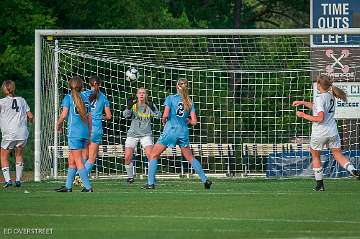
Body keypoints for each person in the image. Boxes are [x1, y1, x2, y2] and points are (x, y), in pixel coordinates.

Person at [293, 74, 360, 191]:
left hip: (320, 132)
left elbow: (320, 118)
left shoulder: (320, 98)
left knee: (315, 156)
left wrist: (303, 115)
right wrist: (303, 102)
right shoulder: (330, 95)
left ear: (319, 84)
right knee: (338, 154)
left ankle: (320, 185)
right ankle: (353, 170)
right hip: (332, 131)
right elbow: (317, 107)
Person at [142, 79, 212, 190]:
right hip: (183, 132)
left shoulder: (170, 98)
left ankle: (150, 183)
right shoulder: (189, 101)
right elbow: (194, 121)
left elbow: (165, 115)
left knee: (153, 155)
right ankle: (205, 179)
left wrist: (164, 120)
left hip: (171, 130)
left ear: (177, 86)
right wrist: (187, 120)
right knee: (190, 157)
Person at [55, 76, 93, 192]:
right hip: (84, 132)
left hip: (74, 133)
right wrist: (89, 133)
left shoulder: (68, 98)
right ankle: (68, 186)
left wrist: (58, 125)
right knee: (71, 160)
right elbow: (90, 118)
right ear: (81, 86)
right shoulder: (86, 98)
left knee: (78, 160)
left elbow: (63, 115)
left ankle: (88, 187)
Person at [73, 76, 111, 185]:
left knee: (84, 156)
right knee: (92, 157)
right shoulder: (103, 97)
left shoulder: (83, 94)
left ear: (89, 84)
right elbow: (109, 116)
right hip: (96, 129)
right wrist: (99, 116)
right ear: (100, 84)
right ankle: (79, 177)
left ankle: (77, 175)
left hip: (84, 128)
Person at [123, 87, 161, 183]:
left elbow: (158, 116)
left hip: (146, 134)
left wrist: (152, 107)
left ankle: (151, 177)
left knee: (150, 155)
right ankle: (130, 177)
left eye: (143, 93)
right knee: (127, 157)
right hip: (132, 134)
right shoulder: (133, 104)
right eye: (140, 93)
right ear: (137, 95)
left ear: (146, 95)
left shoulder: (150, 104)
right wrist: (128, 107)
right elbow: (125, 115)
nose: (141, 95)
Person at [0, 80, 33, 188]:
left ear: (4, 89)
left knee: (3, 155)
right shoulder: (22, 100)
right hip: (22, 132)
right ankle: (18, 180)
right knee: (18, 154)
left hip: (9, 133)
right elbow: (31, 116)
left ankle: (8, 180)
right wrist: (30, 123)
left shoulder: (2, 102)